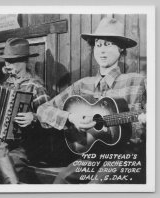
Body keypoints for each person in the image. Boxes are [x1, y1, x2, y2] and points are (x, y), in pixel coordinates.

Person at [37, 17, 146, 184]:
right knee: (61, 180)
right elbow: (43, 110)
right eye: (98, 44)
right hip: (92, 155)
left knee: (95, 186)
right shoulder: (82, 85)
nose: (101, 50)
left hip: (127, 157)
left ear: (121, 48)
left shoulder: (138, 82)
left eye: (108, 44)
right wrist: (71, 118)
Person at [0, 38, 50, 184]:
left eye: (12, 61)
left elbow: (50, 118)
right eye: (6, 61)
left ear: (25, 61)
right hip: (3, 145)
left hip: (25, 147)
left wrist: (33, 117)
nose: (8, 65)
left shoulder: (35, 86)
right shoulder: (3, 84)